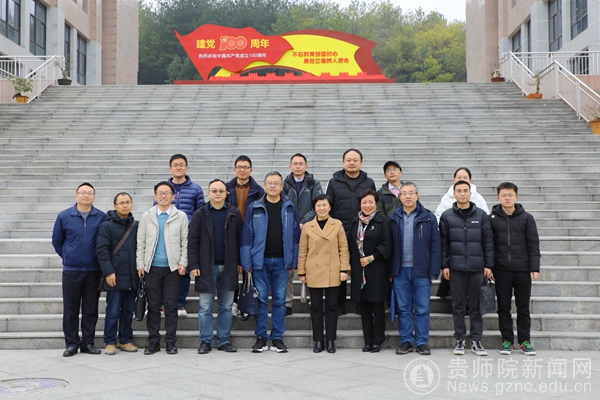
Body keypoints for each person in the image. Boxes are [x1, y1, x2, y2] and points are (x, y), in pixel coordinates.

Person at [241, 172, 300, 353]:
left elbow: (295, 236)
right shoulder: (255, 207)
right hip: (260, 262)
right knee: (260, 301)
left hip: (282, 262)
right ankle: (261, 336)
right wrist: (247, 263)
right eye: (269, 183)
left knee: (280, 301)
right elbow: (246, 236)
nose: (273, 186)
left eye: (276, 183)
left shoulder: (289, 207)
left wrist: (294, 260)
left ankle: (277, 338)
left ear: (282, 186)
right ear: (264, 186)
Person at [188, 179, 243, 354]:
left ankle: (224, 340)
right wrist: (193, 264)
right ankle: (205, 341)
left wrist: (240, 262)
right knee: (205, 307)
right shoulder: (200, 214)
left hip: (229, 267)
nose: (217, 193)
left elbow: (240, 240)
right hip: (206, 267)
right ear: (208, 193)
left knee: (226, 307)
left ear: (226, 193)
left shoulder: (234, 213)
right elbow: (193, 241)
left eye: (221, 190)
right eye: (214, 190)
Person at [440, 180, 494, 356]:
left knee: (476, 306)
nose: (462, 194)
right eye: (459, 191)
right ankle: (460, 340)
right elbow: (443, 244)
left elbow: (488, 242)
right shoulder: (447, 216)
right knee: (458, 306)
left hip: (477, 268)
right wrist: (444, 265)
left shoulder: (481, 215)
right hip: (456, 268)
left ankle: (477, 340)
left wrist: (488, 265)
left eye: (465, 191)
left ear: (470, 194)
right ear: (454, 194)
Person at [52, 183, 106, 357]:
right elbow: (57, 241)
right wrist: (68, 257)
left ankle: (88, 343)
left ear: (94, 197)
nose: (86, 195)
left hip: (93, 270)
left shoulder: (101, 217)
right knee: (71, 309)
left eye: (89, 193)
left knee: (91, 309)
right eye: (82, 192)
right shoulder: (64, 216)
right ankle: (71, 344)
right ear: (76, 196)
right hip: (72, 270)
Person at [137, 181, 188, 355]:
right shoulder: (147, 216)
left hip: (172, 269)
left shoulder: (181, 216)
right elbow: (141, 242)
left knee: (171, 306)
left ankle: (170, 342)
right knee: (153, 306)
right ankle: (153, 342)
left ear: (173, 196)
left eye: (167, 193)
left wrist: (183, 262)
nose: (163, 196)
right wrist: (140, 264)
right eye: (160, 193)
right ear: (155, 196)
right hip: (152, 268)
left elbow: (185, 242)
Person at [389, 183, 440, 356]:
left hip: (422, 271)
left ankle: (421, 342)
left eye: (411, 193)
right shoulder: (393, 217)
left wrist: (434, 270)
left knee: (422, 309)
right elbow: (389, 246)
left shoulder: (428, 217)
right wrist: (391, 271)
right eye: (404, 193)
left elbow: (435, 245)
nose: (408, 196)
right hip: (400, 271)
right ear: (400, 197)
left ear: (417, 195)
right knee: (403, 309)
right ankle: (406, 341)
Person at [490, 182, 540, 356]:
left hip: (522, 270)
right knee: (503, 308)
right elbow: (489, 245)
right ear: (498, 197)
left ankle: (525, 340)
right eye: (503, 195)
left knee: (523, 307)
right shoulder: (492, 219)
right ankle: (507, 340)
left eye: (510, 195)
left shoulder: (527, 218)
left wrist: (534, 267)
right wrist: (490, 267)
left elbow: (533, 244)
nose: (507, 198)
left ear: (516, 197)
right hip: (501, 270)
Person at [297, 194, 350, 354]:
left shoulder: (337, 224)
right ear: (314, 208)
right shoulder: (308, 226)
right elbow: (302, 250)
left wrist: (344, 269)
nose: (322, 208)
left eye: (324, 205)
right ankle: (318, 340)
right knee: (316, 307)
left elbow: (343, 248)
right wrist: (301, 271)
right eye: (319, 205)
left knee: (332, 307)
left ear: (330, 207)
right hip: (313, 270)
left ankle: (331, 341)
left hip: (333, 270)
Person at [326, 149, 376, 315]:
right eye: (348, 160)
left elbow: (373, 206)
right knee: (338, 268)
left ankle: (360, 304)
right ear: (343, 162)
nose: (352, 163)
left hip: (363, 233)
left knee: (360, 268)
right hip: (340, 232)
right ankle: (338, 305)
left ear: (361, 162)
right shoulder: (334, 182)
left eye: (355, 160)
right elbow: (329, 206)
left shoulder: (368, 182)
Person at [157, 154, 205, 317]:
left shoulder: (195, 189)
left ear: (186, 167)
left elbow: (200, 213)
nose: (178, 167)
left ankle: (179, 303)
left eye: (181, 164)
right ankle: (162, 303)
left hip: (187, 236)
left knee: (184, 271)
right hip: (166, 235)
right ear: (170, 168)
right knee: (164, 270)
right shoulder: (163, 188)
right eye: (175, 165)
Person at [435, 167, 490, 299]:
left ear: (470, 181)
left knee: (474, 299)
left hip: (474, 255)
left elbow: (487, 233)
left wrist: (489, 264)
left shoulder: (478, 200)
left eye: (465, 177)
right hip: (454, 250)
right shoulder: (446, 199)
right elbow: (439, 217)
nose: (462, 179)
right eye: (459, 177)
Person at [348, 189, 391, 353]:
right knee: (364, 308)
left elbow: (387, 245)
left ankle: (377, 340)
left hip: (377, 271)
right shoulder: (355, 222)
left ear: (376, 204)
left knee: (377, 308)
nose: (367, 205)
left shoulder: (382, 221)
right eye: (364, 202)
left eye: (370, 202)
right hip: (359, 271)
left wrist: (372, 258)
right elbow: (351, 246)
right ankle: (368, 341)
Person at [96, 192, 139, 355]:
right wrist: (108, 272)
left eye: (128, 202)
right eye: (121, 203)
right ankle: (110, 342)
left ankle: (125, 340)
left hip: (132, 276)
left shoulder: (136, 225)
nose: (125, 205)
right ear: (115, 206)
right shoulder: (106, 226)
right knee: (113, 310)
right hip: (114, 275)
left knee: (128, 311)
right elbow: (102, 250)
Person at [283, 153, 323, 316]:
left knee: (312, 266)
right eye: (295, 163)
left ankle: (315, 301)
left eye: (301, 164)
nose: (298, 166)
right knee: (288, 269)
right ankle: (287, 303)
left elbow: (318, 205)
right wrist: (293, 223)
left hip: (310, 228)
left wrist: (304, 221)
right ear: (290, 166)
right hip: (289, 230)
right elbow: (282, 205)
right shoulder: (285, 184)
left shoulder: (314, 183)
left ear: (306, 166)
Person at [226, 155, 265, 317]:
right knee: (233, 269)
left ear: (251, 170)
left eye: (246, 167)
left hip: (250, 235)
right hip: (231, 234)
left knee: (249, 270)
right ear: (235, 169)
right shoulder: (226, 189)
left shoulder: (258, 191)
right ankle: (233, 302)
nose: (242, 170)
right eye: (239, 167)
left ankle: (247, 303)